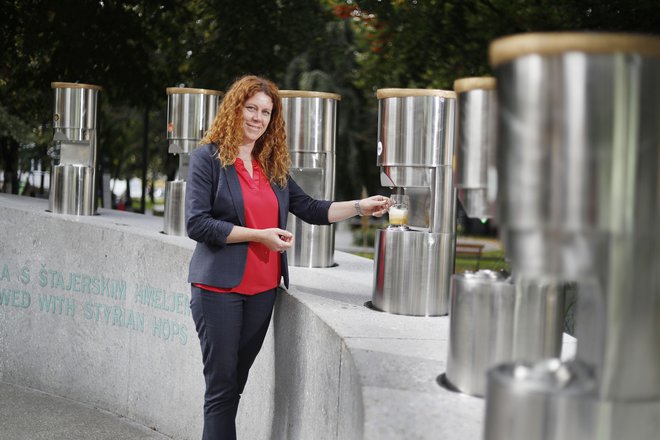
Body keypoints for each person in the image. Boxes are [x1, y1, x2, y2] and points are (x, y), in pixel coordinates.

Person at [185, 74, 391, 440]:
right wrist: (258, 236)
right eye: (251, 108)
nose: (257, 118)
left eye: (265, 112)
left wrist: (361, 206)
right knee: (220, 387)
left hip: (263, 291)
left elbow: (311, 208)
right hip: (218, 289)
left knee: (235, 385)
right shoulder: (208, 159)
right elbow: (198, 224)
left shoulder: (271, 165)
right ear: (235, 109)